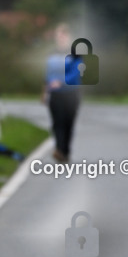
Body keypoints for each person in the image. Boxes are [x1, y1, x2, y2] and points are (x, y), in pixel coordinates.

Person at [42, 24, 81, 162]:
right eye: (58, 36)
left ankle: (65, 150)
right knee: (57, 123)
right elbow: (48, 73)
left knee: (68, 123)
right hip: (56, 94)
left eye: (63, 36)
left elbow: (77, 72)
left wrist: (62, 81)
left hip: (71, 94)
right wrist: (45, 91)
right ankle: (58, 149)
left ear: (68, 37)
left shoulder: (75, 53)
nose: (61, 38)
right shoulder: (51, 53)